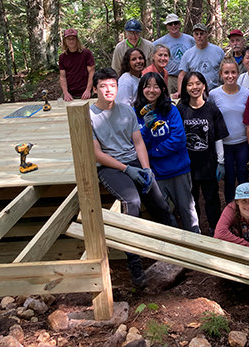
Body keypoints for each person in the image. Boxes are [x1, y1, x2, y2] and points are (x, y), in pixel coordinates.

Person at [90, 67, 172, 287]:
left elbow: (138, 142)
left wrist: (146, 169)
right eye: (103, 86)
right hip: (110, 166)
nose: (109, 90)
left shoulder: (126, 111)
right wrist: (127, 170)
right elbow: (97, 154)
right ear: (95, 89)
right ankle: (134, 263)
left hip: (134, 162)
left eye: (112, 86)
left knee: (161, 205)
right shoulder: (88, 115)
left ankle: (173, 251)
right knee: (132, 201)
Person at [134, 72, 200, 233]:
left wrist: (153, 151)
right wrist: (147, 131)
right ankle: (175, 246)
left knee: (187, 211)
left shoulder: (171, 110)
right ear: (141, 89)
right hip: (156, 174)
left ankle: (197, 243)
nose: (151, 90)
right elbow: (136, 142)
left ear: (163, 89)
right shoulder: (136, 114)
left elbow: (179, 139)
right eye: (147, 86)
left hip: (178, 170)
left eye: (156, 86)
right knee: (163, 214)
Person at [178, 72, 229, 234]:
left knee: (211, 199)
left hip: (208, 164)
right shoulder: (180, 109)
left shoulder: (212, 110)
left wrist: (221, 161)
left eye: (198, 83)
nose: (195, 87)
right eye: (190, 84)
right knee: (190, 200)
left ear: (204, 86)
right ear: (185, 88)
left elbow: (218, 137)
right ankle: (194, 230)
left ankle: (215, 229)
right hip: (187, 165)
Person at [208, 57, 249, 203]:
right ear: (221, 74)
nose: (230, 76)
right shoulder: (214, 95)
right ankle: (230, 211)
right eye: (226, 72)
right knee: (229, 179)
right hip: (224, 145)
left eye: (233, 72)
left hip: (242, 143)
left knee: (243, 177)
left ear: (238, 73)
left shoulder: (247, 94)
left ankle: (246, 210)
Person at [175, 23, 225, 96]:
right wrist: (180, 91)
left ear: (207, 34)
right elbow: (182, 75)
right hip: (195, 92)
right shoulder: (188, 54)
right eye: (196, 34)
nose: (199, 36)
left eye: (202, 34)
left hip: (215, 91)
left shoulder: (218, 51)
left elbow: (225, 71)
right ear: (193, 36)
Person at [153, 14, 195, 94]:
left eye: (175, 23)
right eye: (170, 24)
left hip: (187, 77)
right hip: (169, 78)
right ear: (167, 26)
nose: (173, 26)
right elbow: (150, 51)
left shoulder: (190, 40)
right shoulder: (161, 41)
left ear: (179, 24)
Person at [58, 28, 95, 101]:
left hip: (85, 91)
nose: (71, 41)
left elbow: (91, 72)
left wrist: (88, 90)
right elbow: (62, 77)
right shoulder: (62, 57)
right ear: (65, 41)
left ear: (77, 40)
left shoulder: (86, 53)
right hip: (70, 93)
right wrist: (65, 93)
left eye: (73, 39)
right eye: (68, 39)